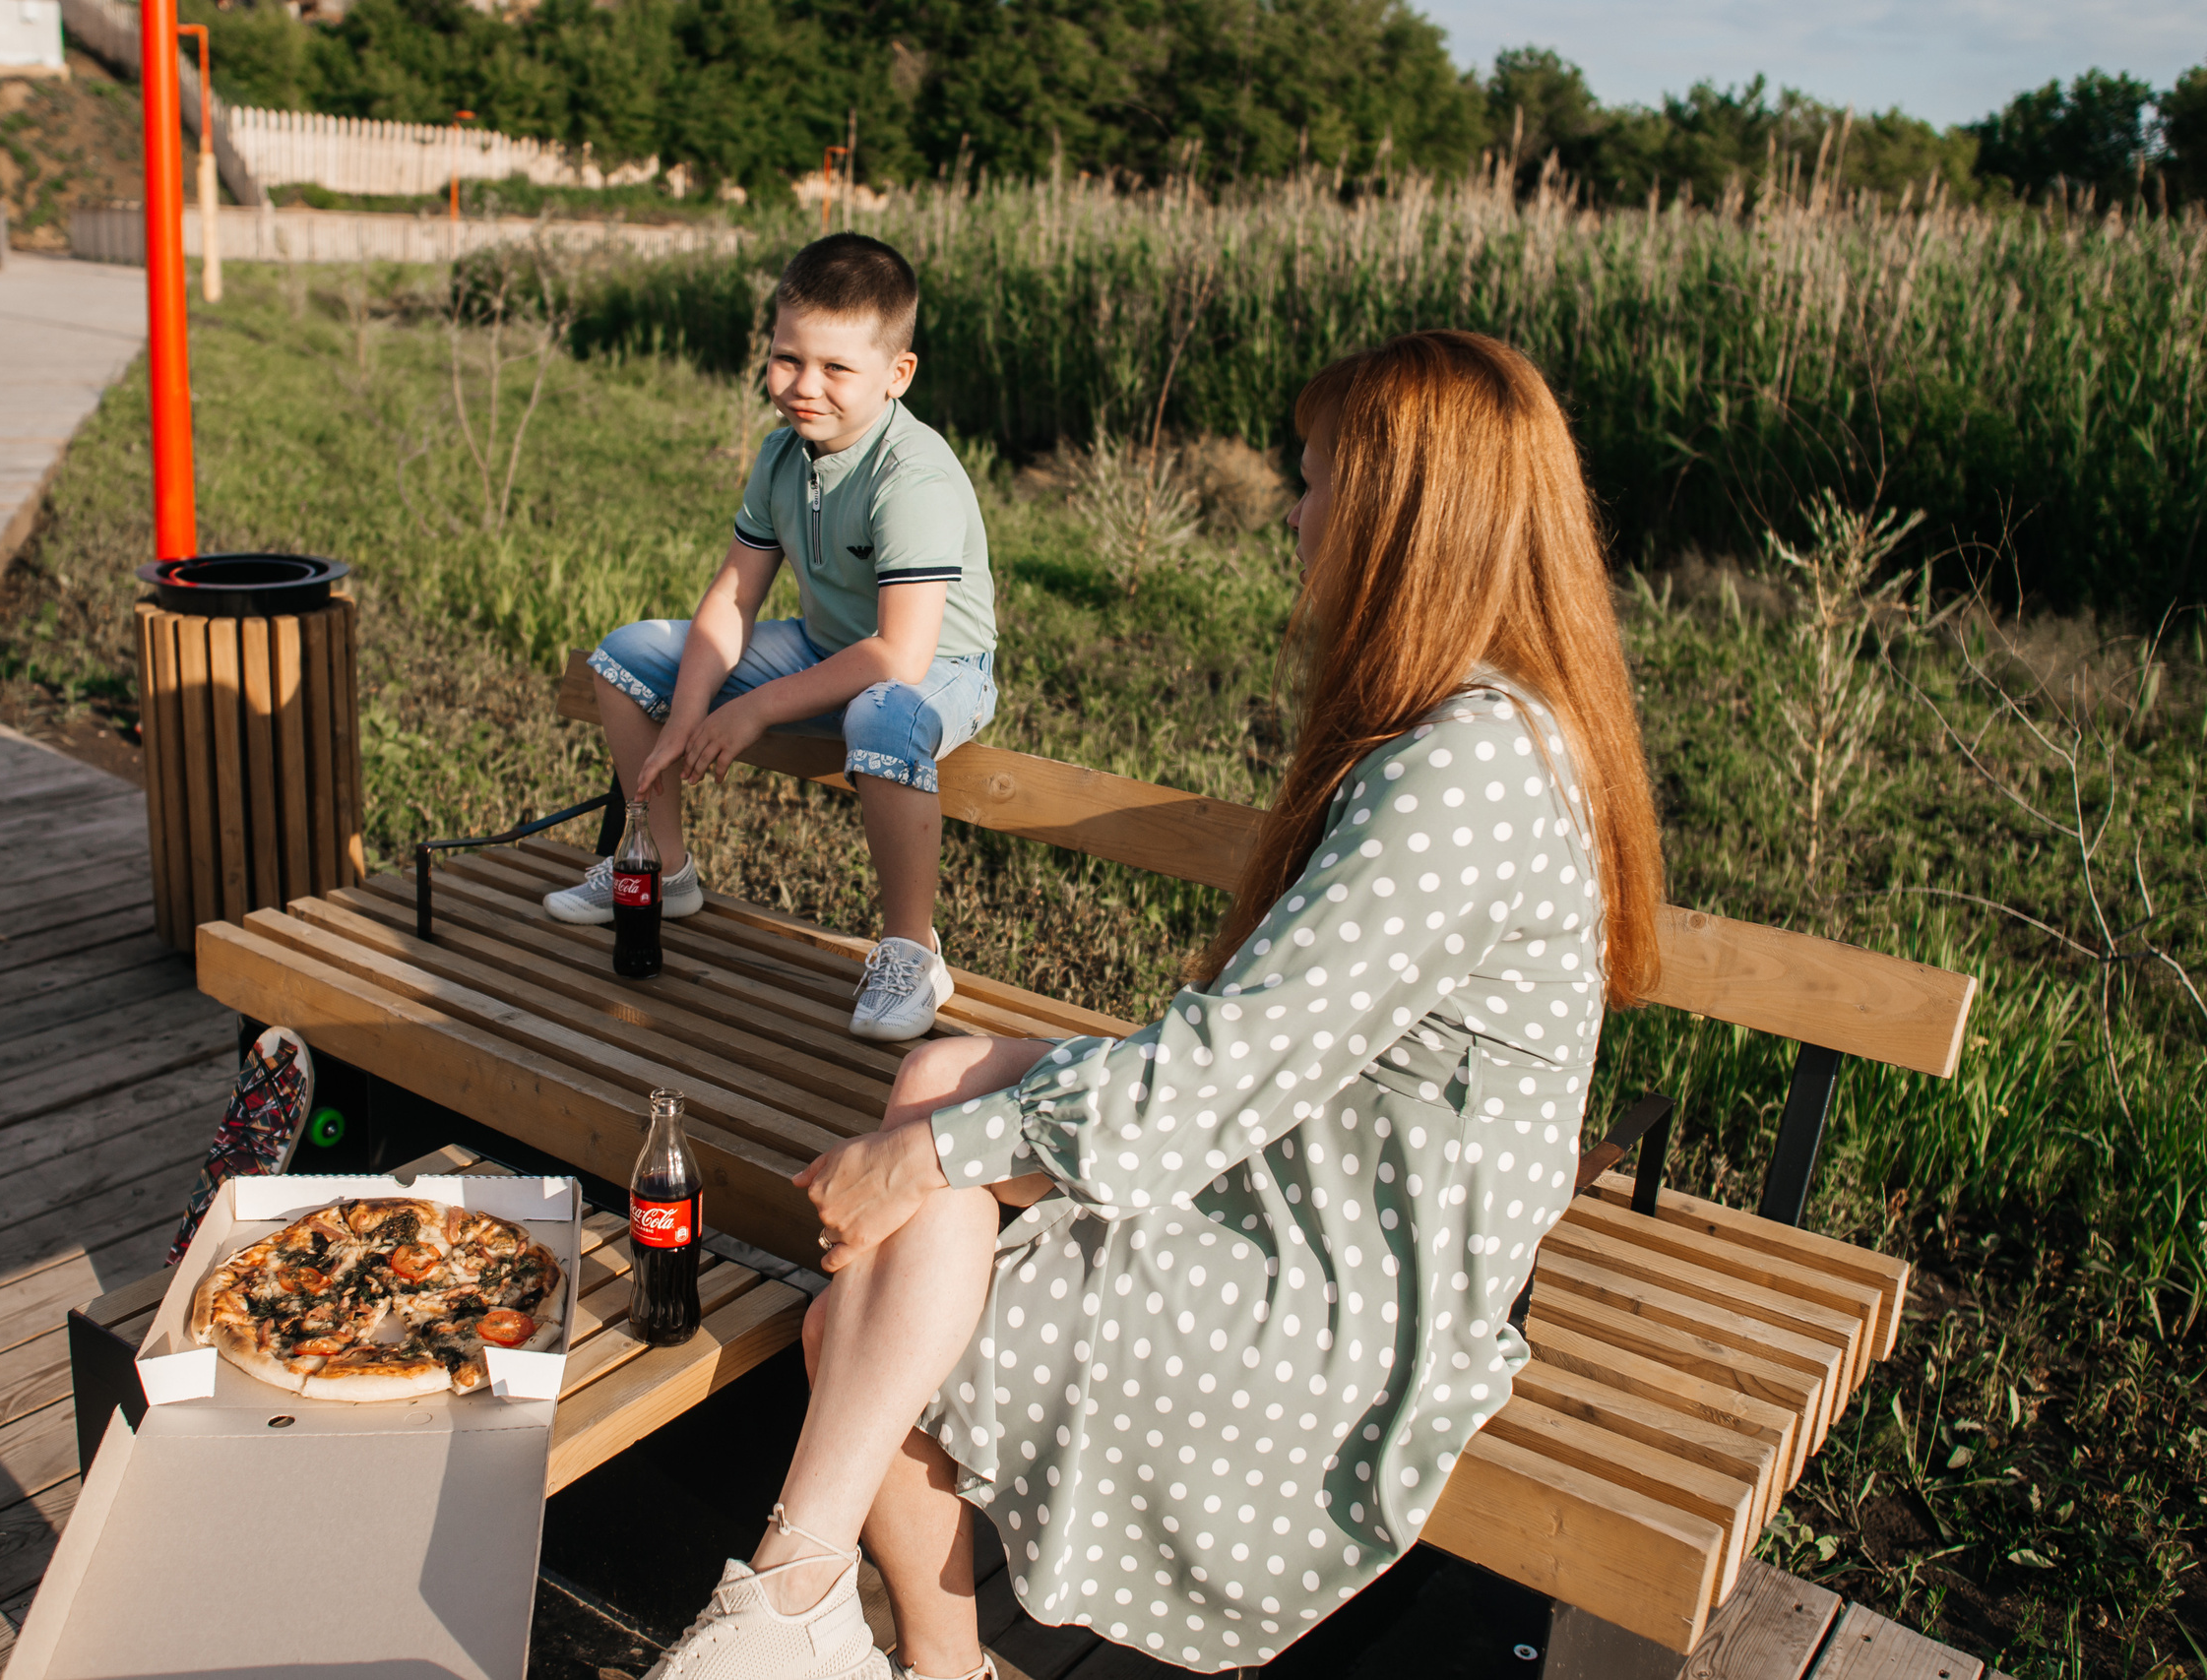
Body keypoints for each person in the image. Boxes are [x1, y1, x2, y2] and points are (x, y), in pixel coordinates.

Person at [635, 328, 1667, 1680]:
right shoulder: (1473, 719)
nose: (1295, 514)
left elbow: (1237, 1058)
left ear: (1406, 513)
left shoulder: (1465, 768)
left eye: (1315, 481)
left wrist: (929, 1156)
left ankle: (825, 1612)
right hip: (1329, 1134)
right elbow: (1271, 1044)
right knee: (937, 1081)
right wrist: (939, 1131)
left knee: (869, 1300)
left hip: (1360, 1241)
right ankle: (838, 1616)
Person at [546, 232, 998, 1041]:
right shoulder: (781, 455)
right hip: (826, 650)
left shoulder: (913, 476)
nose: (803, 386)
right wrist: (687, 716)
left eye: (835, 368)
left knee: (883, 715)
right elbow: (732, 594)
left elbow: (900, 654)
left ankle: (909, 949)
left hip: (938, 667)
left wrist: (751, 711)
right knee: (626, 655)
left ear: (897, 375)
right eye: (787, 358)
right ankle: (665, 869)